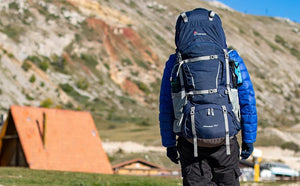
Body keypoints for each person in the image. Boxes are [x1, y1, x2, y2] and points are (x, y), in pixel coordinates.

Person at [159, 8, 257, 186]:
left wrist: (169, 143)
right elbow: (247, 101)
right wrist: (248, 140)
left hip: (190, 140)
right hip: (225, 141)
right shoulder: (232, 59)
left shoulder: (174, 62)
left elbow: (166, 104)